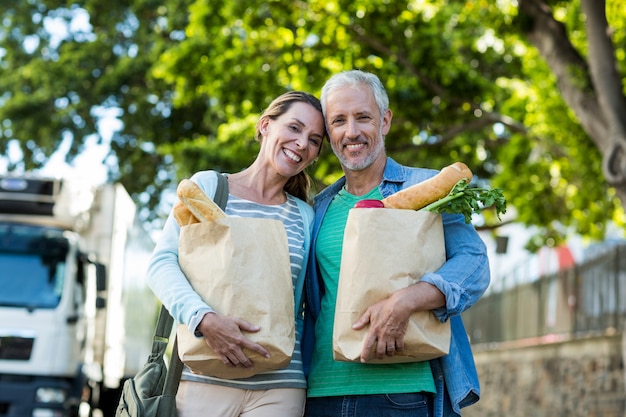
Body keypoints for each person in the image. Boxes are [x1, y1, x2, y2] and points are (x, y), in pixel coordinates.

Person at [302, 70, 490, 417]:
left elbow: (474, 263)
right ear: (328, 133)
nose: (352, 131)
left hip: (403, 392)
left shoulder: (427, 188)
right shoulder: (317, 208)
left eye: (363, 117)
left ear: (385, 121)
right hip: (320, 393)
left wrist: (406, 301)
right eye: (339, 121)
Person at [146, 90, 326, 417]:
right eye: (295, 128)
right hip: (205, 379)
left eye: (314, 140)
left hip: (280, 388)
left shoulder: (305, 215)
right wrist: (204, 319)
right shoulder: (210, 190)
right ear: (265, 126)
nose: (302, 143)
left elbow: (299, 303)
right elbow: (161, 264)